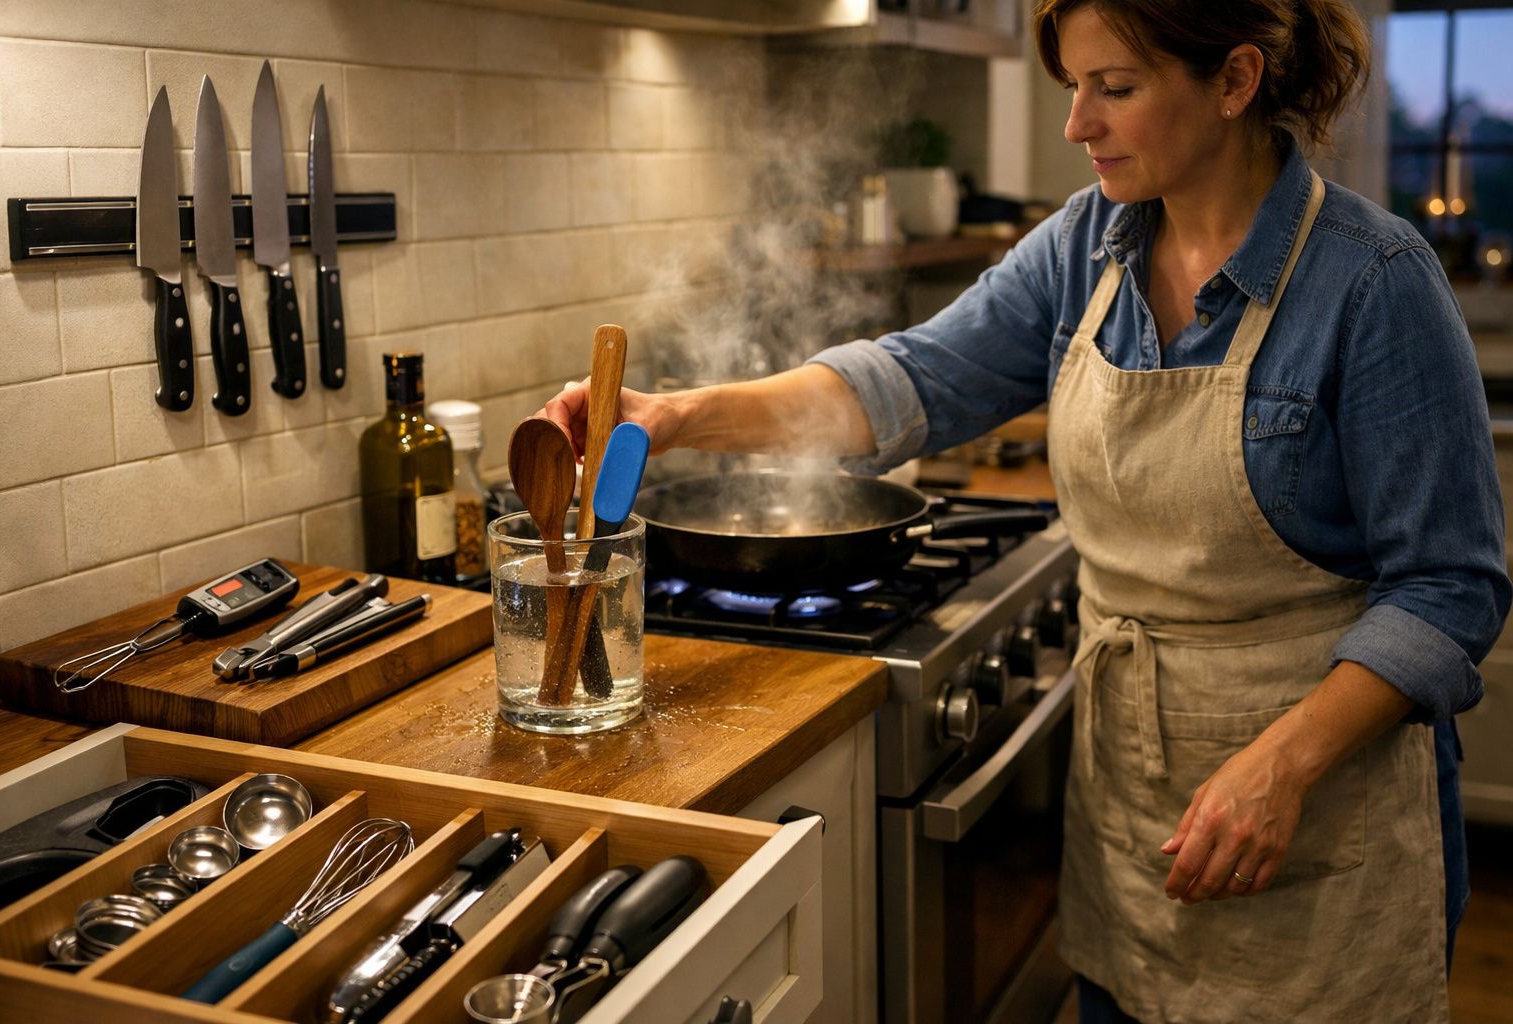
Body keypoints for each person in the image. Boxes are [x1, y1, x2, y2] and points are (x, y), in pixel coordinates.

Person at [541, 1, 1510, 1019]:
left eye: (1116, 88)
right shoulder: (1087, 246)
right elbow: (902, 383)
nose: (1076, 124)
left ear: (1234, 82)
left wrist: (1283, 762)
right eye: (1073, 87)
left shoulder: (1374, 281)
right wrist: (675, 415)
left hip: (1318, 819)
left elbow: (1451, 589)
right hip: (1135, 812)